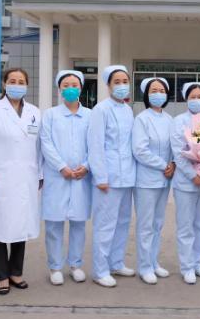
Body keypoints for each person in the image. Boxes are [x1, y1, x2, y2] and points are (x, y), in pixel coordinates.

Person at [0, 68, 42, 295]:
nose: (17, 85)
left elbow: (38, 147)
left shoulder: (34, 112)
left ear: (27, 86)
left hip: (26, 178)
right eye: (12, 81)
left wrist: (40, 175)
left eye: (21, 81)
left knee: (21, 226)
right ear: (4, 83)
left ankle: (16, 272)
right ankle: (2, 276)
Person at [40, 70, 91, 286]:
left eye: (74, 85)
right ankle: (55, 267)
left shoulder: (90, 115)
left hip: (81, 177)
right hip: (57, 177)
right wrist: (61, 167)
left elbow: (96, 144)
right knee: (54, 224)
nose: (70, 89)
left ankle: (76, 265)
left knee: (79, 223)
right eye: (66, 85)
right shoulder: (50, 115)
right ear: (59, 89)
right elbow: (46, 143)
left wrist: (86, 166)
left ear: (81, 88)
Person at [88, 65, 137, 288]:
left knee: (123, 222)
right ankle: (100, 270)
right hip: (108, 177)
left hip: (127, 176)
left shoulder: (128, 110)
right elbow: (95, 145)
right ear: (108, 85)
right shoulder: (101, 110)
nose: (121, 85)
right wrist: (100, 176)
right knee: (105, 225)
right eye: (116, 82)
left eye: (125, 81)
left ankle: (116, 262)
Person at [170, 81, 200, 284]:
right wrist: (192, 175)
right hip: (185, 182)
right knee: (185, 226)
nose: (197, 100)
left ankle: (198, 263)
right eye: (193, 97)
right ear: (185, 99)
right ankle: (187, 266)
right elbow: (178, 153)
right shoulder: (178, 121)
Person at [132, 77, 176, 285]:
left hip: (165, 179)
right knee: (146, 225)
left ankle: (153, 261)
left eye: (161, 90)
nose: (158, 94)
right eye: (154, 91)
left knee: (158, 223)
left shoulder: (169, 119)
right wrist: (163, 165)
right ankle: (144, 266)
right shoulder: (142, 119)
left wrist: (173, 163)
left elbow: (175, 146)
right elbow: (140, 150)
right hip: (146, 180)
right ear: (147, 95)